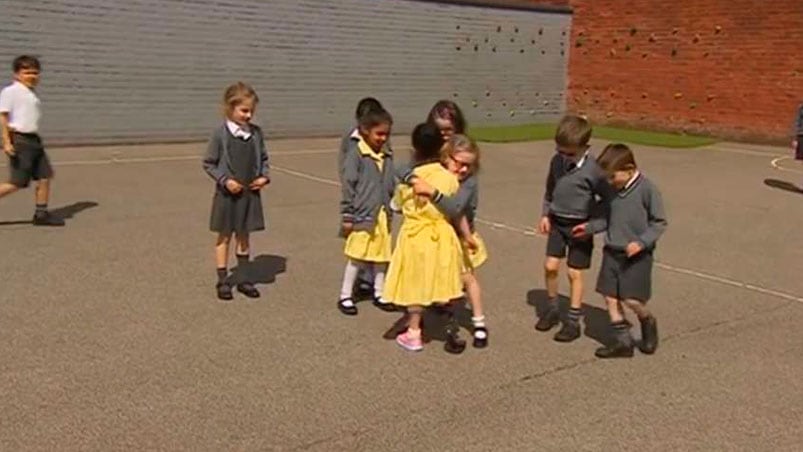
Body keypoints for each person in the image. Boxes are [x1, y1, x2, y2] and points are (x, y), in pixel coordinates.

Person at [572, 143, 667, 358]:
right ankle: (623, 342)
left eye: (613, 177)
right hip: (611, 252)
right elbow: (607, 218)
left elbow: (659, 222)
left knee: (631, 300)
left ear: (630, 169)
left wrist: (641, 242)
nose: (609, 182)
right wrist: (589, 228)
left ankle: (647, 320)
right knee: (609, 297)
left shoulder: (647, 190)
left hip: (636, 256)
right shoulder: (613, 192)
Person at [384, 122, 465, 352]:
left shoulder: (411, 178)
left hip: (416, 233)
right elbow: (455, 203)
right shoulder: (449, 177)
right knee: (441, 275)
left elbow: (396, 205)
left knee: (414, 282)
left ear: (415, 148)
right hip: (442, 232)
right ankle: (448, 320)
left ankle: (414, 331)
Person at [535, 115, 608, 342]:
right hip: (558, 221)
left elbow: (606, 203)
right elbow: (550, 190)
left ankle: (573, 321)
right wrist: (546, 214)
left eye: (570, 153)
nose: (564, 157)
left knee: (574, 273)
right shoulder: (556, 162)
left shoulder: (594, 170)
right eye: (560, 151)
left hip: (580, 227)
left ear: (585, 147)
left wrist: (592, 226)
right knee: (550, 266)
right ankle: (552, 308)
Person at [203, 82, 270, 300]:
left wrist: (263, 177)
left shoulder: (256, 134)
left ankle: (243, 278)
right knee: (224, 237)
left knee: (244, 236)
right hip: (227, 195)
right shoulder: (220, 134)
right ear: (230, 108)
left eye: (251, 111)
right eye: (244, 110)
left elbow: (264, 159)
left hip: (249, 195)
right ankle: (223, 280)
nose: (248, 115)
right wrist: (225, 180)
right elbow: (209, 163)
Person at [338, 108, 396, 315]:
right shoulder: (357, 155)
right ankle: (345, 295)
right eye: (379, 134)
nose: (383, 138)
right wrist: (347, 214)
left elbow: (390, 182)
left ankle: (379, 292)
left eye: (386, 134)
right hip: (362, 215)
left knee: (381, 257)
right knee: (357, 256)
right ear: (364, 131)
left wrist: (395, 200)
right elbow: (348, 186)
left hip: (382, 215)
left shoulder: (387, 155)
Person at [0, 55, 64, 226]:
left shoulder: (30, 93)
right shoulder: (11, 91)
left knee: (45, 176)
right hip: (20, 140)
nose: (32, 76)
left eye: (35, 73)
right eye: (27, 72)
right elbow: (3, 116)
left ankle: (41, 214)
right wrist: (6, 142)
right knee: (17, 182)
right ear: (17, 74)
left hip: (34, 140)